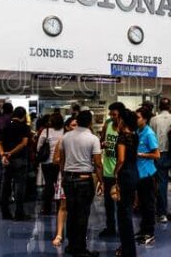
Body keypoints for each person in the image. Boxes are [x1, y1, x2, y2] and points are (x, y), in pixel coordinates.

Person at [59, 110, 104, 257]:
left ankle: (71, 246)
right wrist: (101, 181)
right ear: (90, 122)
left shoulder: (66, 137)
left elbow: (62, 160)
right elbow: (97, 164)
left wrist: (63, 177)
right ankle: (80, 249)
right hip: (84, 180)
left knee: (71, 213)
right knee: (83, 215)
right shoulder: (92, 139)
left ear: (77, 121)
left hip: (68, 179)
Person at [0, 106, 32, 221]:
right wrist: (11, 153)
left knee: (5, 185)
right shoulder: (25, 127)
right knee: (19, 186)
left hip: (6, 160)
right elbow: (24, 143)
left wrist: (3, 154)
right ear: (23, 116)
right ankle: (19, 212)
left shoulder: (5, 126)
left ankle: (5, 212)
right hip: (20, 159)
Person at [114, 109, 140, 257]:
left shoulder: (123, 137)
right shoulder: (134, 136)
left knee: (124, 214)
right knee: (126, 212)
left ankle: (128, 249)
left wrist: (114, 172)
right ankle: (128, 248)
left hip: (125, 175)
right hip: (134, 172)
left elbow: (121, 159)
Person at [100, 102, 126, 237]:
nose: (111, 116)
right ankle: (110, 227)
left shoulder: (125, 128)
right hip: (108, 171)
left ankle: (123, 230)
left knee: (122, 204)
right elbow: (102, 140)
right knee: (108, 203)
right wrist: (104, 143)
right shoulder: (108, 124)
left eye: (114, 114)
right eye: (110, 114)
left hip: (121, 171)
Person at [51, 117, 77, 248]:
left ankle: (76, 233)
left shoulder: (82, 140)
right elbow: (55, 159)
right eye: (73, 125)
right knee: (63, 206)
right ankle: (59, 234)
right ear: (67, 127)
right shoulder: (62, 140)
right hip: (65, 175)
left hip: (77, 176)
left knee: (77, 207)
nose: (75, 128)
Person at [134, 107, 159, 245]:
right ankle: (143, 230)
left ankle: (150, 232)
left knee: (149, 205)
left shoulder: (149, 133)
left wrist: (141, 155)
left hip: (148, 173)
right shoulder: (137, 131)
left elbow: (156, 154)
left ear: (145, 119)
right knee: (142, 205)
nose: (136, 120)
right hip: (139, 174)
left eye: (138, 117)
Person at [38, 112, 65, 215]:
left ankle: (47, 208)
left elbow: (39, 146)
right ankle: (59, 207)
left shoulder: (46, 131)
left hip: (47, 161)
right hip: (60, 161)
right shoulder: (64, 131)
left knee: (48, 184)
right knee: (59, 184)